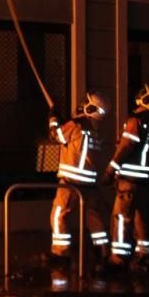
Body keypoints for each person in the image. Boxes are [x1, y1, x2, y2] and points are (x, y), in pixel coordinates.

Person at [105, 82, 149, 271]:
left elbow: (125, 148)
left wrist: (110, 171)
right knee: (143, 221)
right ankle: (144, 257)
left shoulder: (135, 121)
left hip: (130, 183)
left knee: (121, 219)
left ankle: (118, 259)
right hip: (147, 183)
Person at [47, 91, 112, 266]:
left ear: (91, 108)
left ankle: (61, 254)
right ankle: (103, 251)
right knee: (94, 218)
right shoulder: (96, 131)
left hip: (70, 183)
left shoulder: (76, 125)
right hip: (90, 185)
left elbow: (55, 136)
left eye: (86, 102)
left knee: (59, 215)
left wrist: (53, 118)